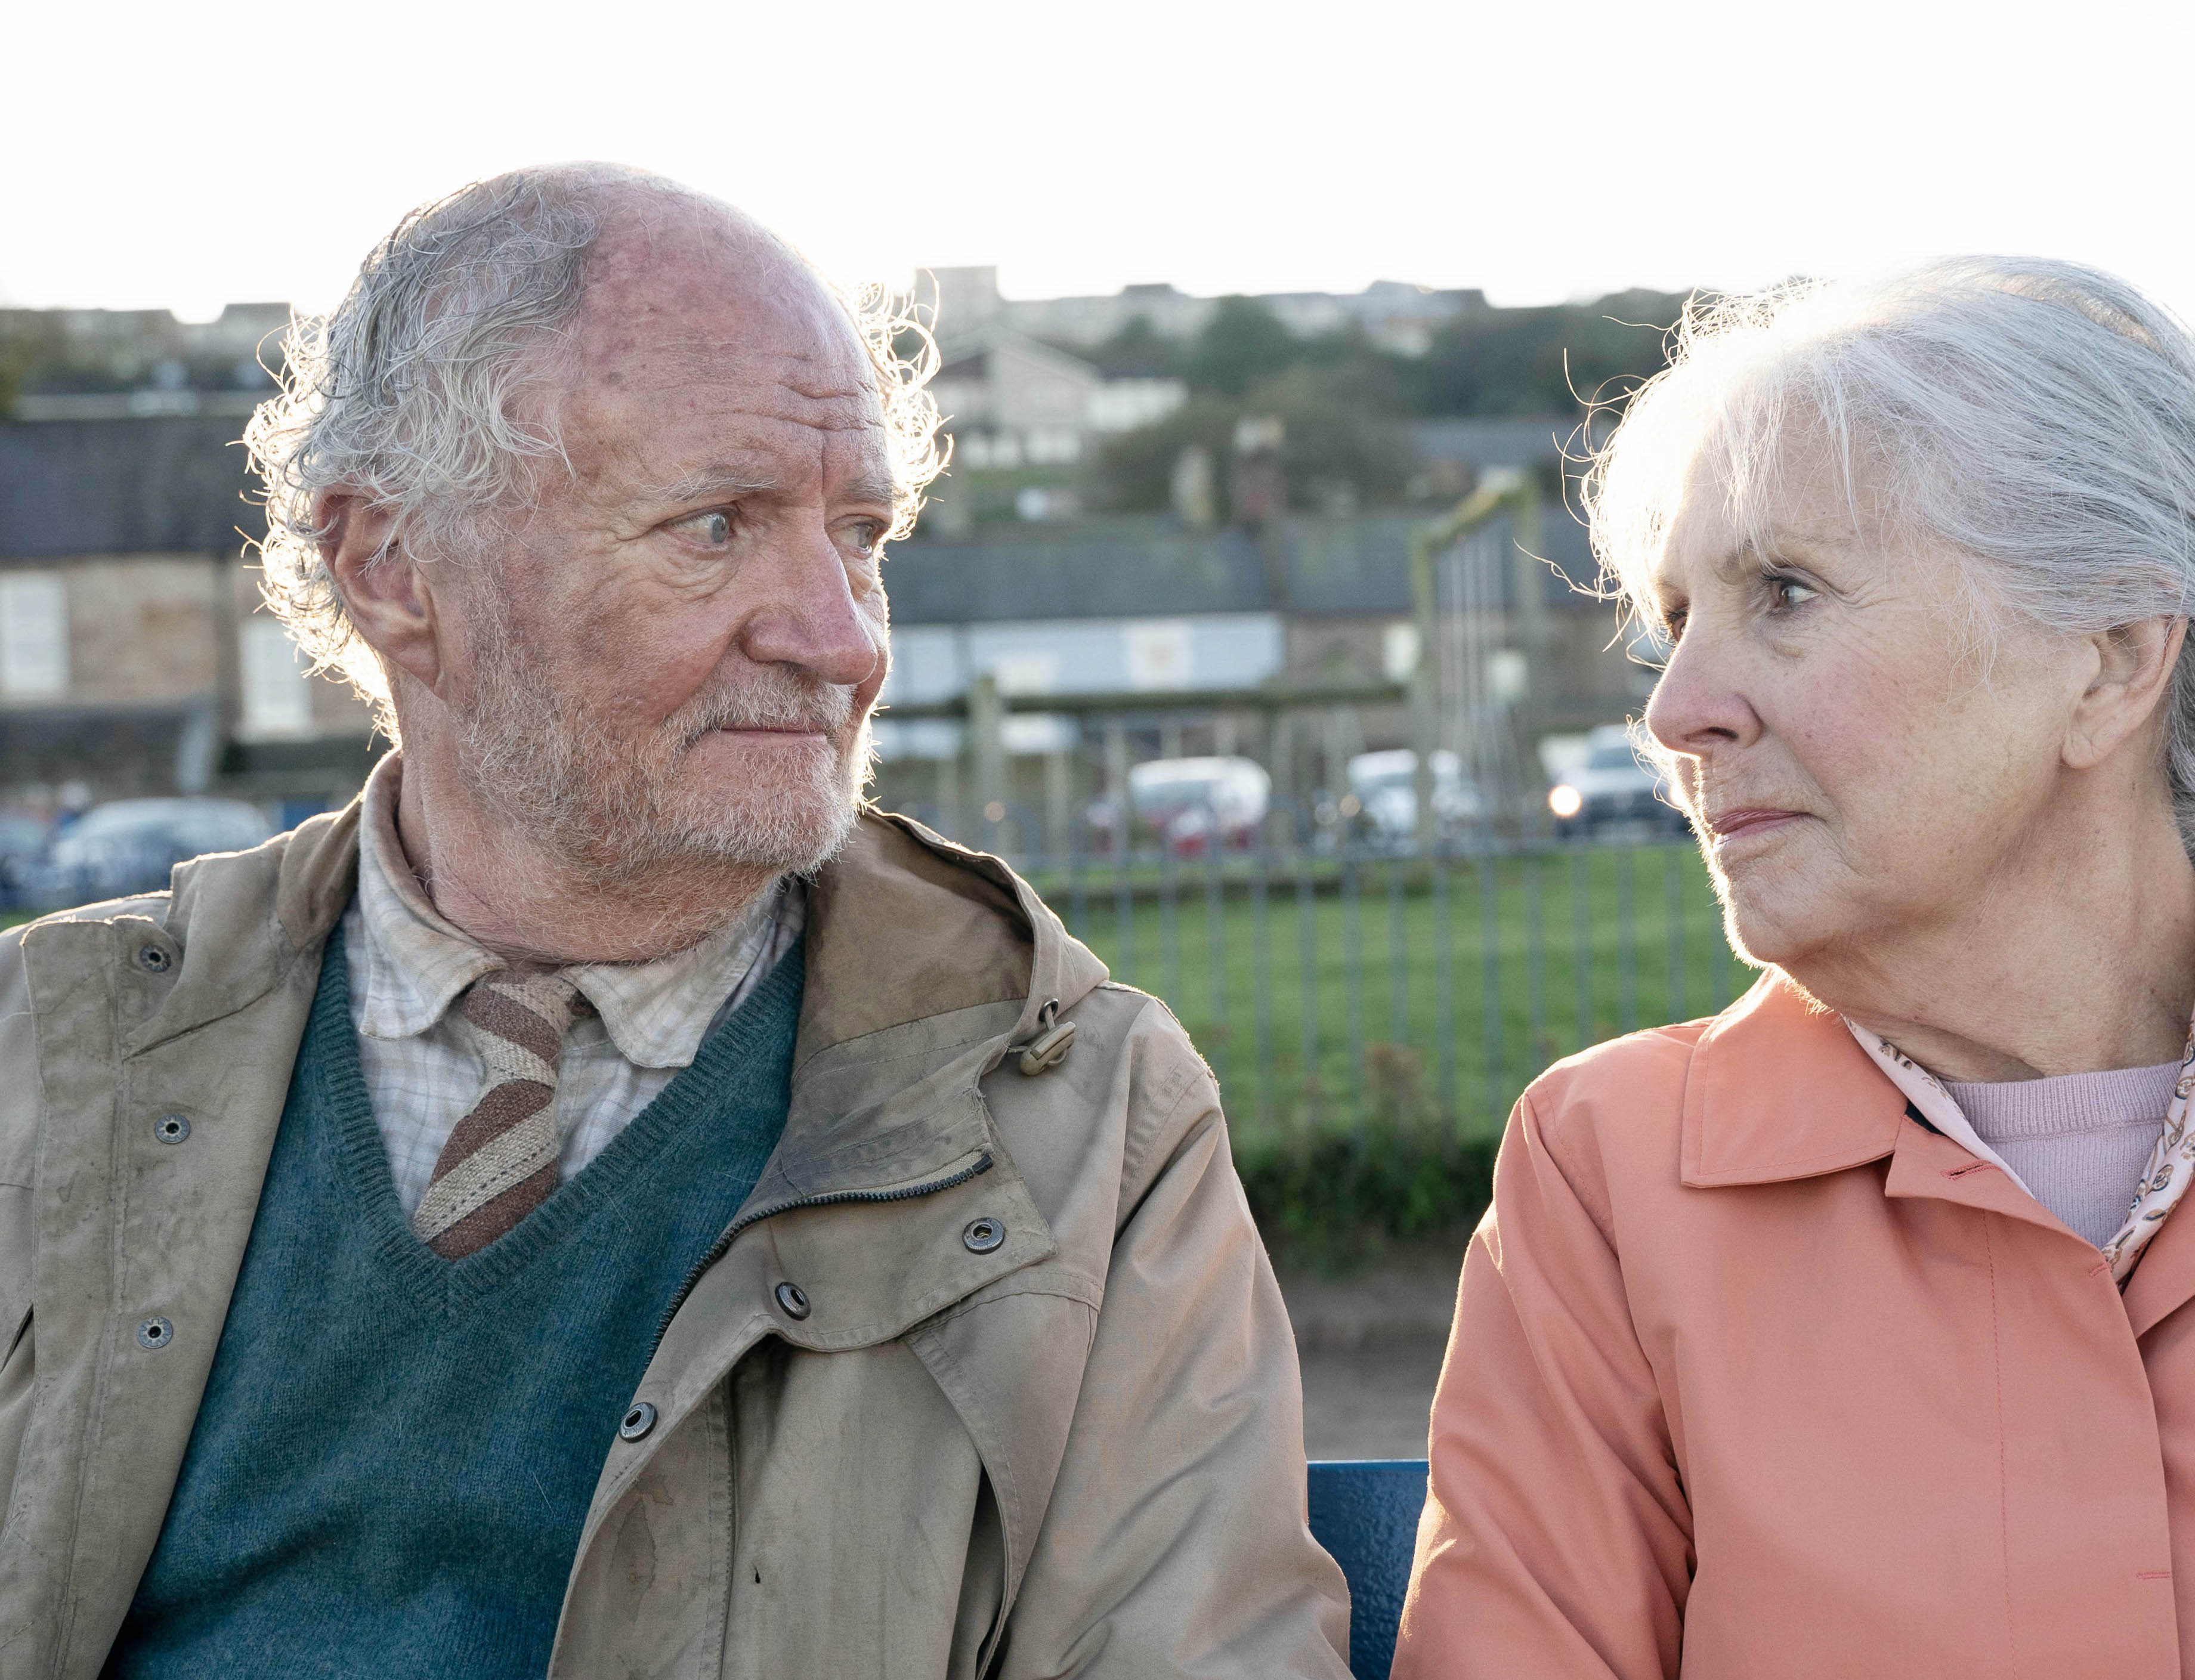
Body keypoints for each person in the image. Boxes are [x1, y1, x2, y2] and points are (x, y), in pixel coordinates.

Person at [0, 165, 1349, 1679]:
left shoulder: (1082, 1117)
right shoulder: (46, 1058)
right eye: (715, 528)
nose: (841, 639)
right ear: (390, 569)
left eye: (858, 534)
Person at [1393, 258, 2195, 1676]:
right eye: (1673, 620)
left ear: (2108, 659)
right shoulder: (1609, 1174)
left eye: (1783, 590)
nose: (1674, 709)